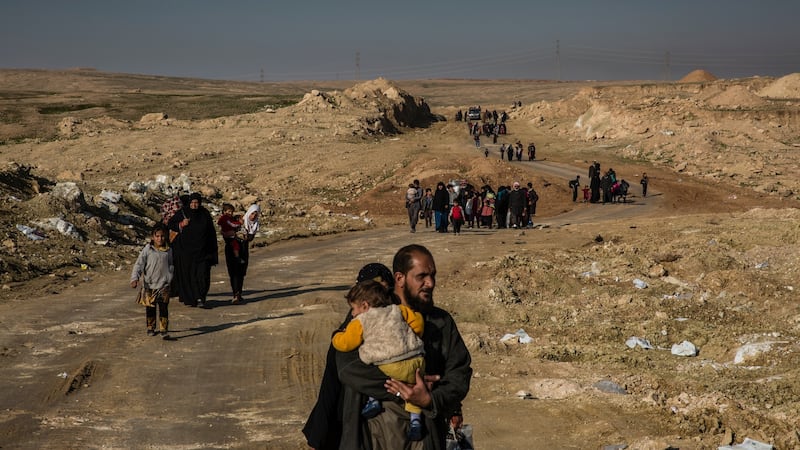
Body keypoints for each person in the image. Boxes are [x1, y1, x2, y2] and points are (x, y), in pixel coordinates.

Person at [337, 244, 472, 450]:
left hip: (425, 435)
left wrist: (431, 399)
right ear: (399, 278)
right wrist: (405, 388)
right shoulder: (367, 314)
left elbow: (459, 374)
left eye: (433, 275)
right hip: (372, 436)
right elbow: (348, 367)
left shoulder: (441, 322)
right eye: (422, 276)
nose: (430, 283)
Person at [303, 263, 395, 450]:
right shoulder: (346, 335)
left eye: (382, 294)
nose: (377, 303)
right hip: (351, 422)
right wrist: (319, 434)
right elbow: (331, 386)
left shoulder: (403, 324)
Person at [332, 280, 426, 441]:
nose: (353, 313)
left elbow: (346, 343)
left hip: (391, 366)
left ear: (365, 306)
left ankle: (373, 399)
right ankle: (415, 420)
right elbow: (418, 326)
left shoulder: (361, 321)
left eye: (354, 308)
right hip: (417, 363)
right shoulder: (398, 310)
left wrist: (336, 336)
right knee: (414, 387)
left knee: (369, 361)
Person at [168, 192, 218, 308]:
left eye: (197, 203)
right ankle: (193, 298)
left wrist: (212, 251)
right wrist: (181, 224)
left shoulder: (204, 214)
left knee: (202, 275)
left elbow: (211, 233)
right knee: (190, 276)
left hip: (203, 252)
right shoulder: (183, 213)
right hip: (187, 252)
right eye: (192, 203)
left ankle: (201, 297)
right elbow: (171, 223)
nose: (194, 205)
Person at [130, 223, 173, 339]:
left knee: (164, 308)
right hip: (150, 285)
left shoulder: (168, 250)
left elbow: (171, 265)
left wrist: (170, 278)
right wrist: (135, 278)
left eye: (162, 236)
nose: (160, 239)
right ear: (152, 237)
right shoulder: (148, 250)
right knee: (150, 308)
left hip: (164, 285)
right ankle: (151, 327)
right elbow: (139, 264)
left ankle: (164, 329)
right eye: (157, 236)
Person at [225, 203, 260, 304]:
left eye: (255, 214)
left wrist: (245, 236)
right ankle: (235, 294)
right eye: (252, 213)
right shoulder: (238, 219)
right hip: (232, 248)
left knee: (241, 271)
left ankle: (239, 293)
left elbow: (250, 238)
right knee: (234, 271)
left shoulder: (255, 224)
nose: (253, 216)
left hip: (243, 249)